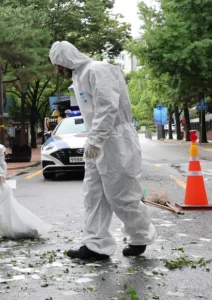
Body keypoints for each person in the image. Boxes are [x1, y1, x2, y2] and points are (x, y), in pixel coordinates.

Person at [49, 41, 156, 260]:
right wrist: (94, 140)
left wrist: (96, 139)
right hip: (98, 140)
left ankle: (140, 237)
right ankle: (95, 245)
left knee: (122, 194)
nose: (58, 70)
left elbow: (108, 105)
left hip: (117, 140)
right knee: (94, 195)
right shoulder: (79, 76)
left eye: (59, 65)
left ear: (66, 59)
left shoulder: (98, 70)